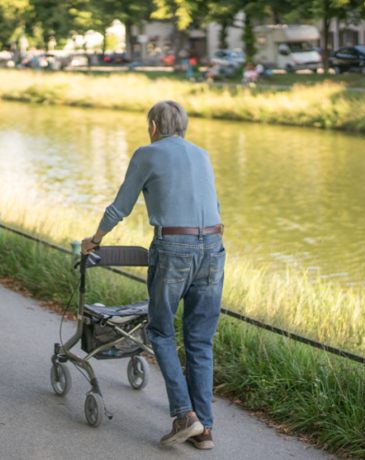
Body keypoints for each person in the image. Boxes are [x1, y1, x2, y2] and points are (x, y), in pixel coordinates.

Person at [81, 101, 225, 450]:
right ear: (184, 127)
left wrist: (94, 240)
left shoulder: (147, 154)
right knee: (199, 340)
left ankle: (184, 416)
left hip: (174, 248)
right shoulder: (202, 154)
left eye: (150, 126)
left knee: (160, 330)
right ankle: (204, 430)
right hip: (214, 247)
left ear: (154, 127)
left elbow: (121, 207)